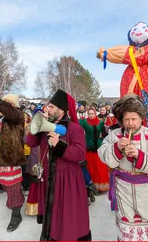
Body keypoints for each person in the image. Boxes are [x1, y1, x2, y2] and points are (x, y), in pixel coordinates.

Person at [98, 94, 148, 241]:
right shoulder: (115, 135)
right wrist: (116, 148)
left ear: (141, 119)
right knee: (126, 227)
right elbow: (103, 153)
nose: (130, 123)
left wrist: (140, 155)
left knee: (146, 226)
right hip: (123, 187)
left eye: (134, 119)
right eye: (127, 119)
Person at [26, 89, 91, 241]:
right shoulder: (44, 126)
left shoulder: (75, 129)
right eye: (48, 106)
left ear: (62, 110)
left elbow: (80, 154)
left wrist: (59, 145)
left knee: (67, 216)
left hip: (68, 180)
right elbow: (30, 142)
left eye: (51, 107)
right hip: (49, 178)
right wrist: (35, 128)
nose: (47, 109)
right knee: (52, 216)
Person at [0, 93, 26, 232]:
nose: (3, 105)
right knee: (7, 186)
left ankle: (16, 215)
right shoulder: (2, 119)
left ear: (12, 105)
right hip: (0, 157)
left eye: (6, 103)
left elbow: (12, 113)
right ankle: (14, 203)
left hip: (11, 158)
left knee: (14, 187)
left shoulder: (18, 115)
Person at [79, 107, 109, 192]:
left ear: (95, 114)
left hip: (98, 147)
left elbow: (104, 133)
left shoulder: (100, 122)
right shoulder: (84, 122)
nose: (91, 115)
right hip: (89, 147)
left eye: (92, 114)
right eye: (89, 114)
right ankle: (90, 185)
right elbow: (74, 121)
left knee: (99, 167)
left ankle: (100, 185)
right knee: (90, 167)